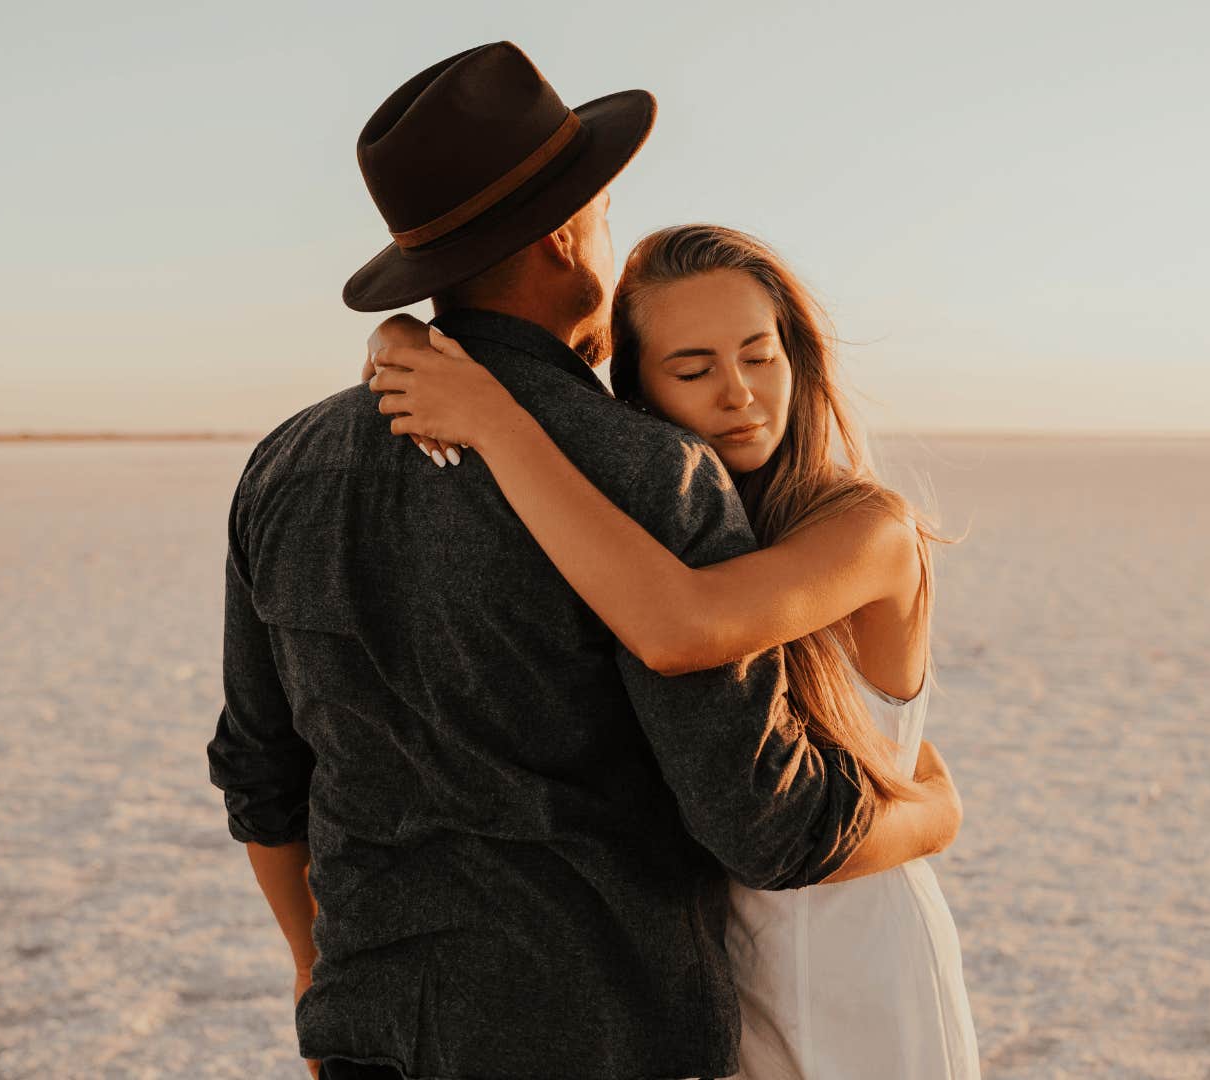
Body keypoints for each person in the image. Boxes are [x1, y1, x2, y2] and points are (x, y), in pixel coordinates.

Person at [205, 41, 963, 1080]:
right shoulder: (653, 473)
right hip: (603, 1037)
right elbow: (762, 822)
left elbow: (260, 771)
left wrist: (314, 969)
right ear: (568, 235)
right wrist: (934, 810)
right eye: (604, 213)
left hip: (366, 1032)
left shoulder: (284, 467)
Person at [363, 223, 981, 1078]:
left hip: (858, 957)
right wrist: (401, 338)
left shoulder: (865, 526)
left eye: (760, 356)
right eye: (694, 370)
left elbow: (680, 629)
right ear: (641, 393)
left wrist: (495, 423)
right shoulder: (654, 525)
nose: (740, 394)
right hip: (710, 972)